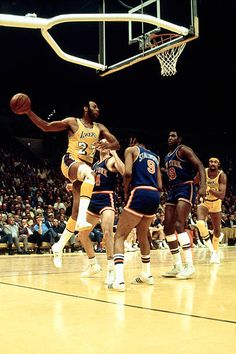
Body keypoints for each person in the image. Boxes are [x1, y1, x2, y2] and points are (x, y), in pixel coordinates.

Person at [12, 96, 120, 267]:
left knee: (75, 213)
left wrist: (109, 146)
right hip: (70, 162)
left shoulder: (100, 128)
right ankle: (83, 221)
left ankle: (58, 246)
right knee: (90, 175)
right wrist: (28, 112)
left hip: (82, 171)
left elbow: (116, 143)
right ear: (86, 108)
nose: (98, 109)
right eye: (95, 106)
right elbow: (47, 127)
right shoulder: (73, 122)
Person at [108, 137, 162, 291]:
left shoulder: (131, 150)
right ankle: (147, 274)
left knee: (119, 236)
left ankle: (119, 280)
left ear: (134, 143)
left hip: (140, 192)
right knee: (143, 235)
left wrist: (126, 190)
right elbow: (160, 184)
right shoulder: (155, 157)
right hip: (154, 195)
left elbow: (127, 172)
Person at [67, 139, 124, 284]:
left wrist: (115, 153)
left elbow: (124, 171)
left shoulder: (110, 161)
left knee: (107, 232)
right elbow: (88, 182)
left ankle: (111, 269)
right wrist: (72, 186)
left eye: (106, 143)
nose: (103, 145)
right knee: (82, 234)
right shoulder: (94, 165)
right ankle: (93, 264)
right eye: (101, 143)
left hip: (106, 198)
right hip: (93, 200)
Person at [162, 130, 206, 279]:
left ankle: (189, 265)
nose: (170, 138)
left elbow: (199, 165)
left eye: (173, 136)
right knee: (167, 227)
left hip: (186, 187)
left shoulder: (183, 150)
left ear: (179, 139)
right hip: (173, 189)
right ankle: (177, 265)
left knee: (179, 225)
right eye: (168, 136)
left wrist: (203, 186)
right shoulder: (167, 156)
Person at [196, 157, 227, 264]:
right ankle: (213, 252)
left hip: (216, 203)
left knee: (217, 231)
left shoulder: (222, 175)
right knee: (200, 223)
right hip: (204, 202)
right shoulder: (203, 172)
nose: (212, 163)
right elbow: (195, 180)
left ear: (218, 164)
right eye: (211, 161)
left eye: (215, 162)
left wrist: (208, 189)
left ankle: (215, 252)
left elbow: (222, 195)